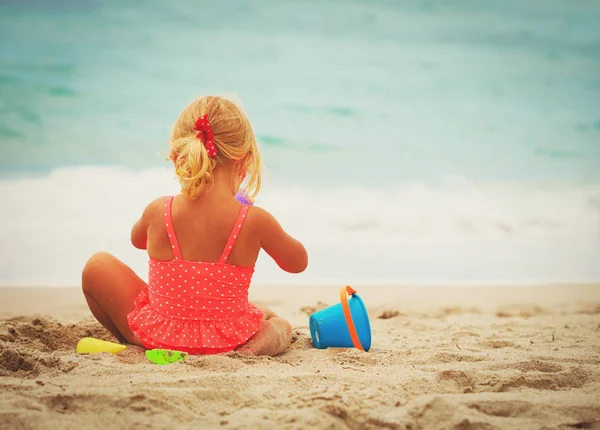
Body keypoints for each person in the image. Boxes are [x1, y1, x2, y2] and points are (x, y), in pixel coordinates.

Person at [81, 96, 308, 356]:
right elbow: (298, 263)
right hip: (227, 342)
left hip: (161, 336)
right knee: (277, 323)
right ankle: (248, 353)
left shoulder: (159, 211)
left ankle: (135, 340)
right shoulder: (254, 220)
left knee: (96, 266)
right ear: (244, 162)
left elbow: (137, 241)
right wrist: (260, 223)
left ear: (179, 156)